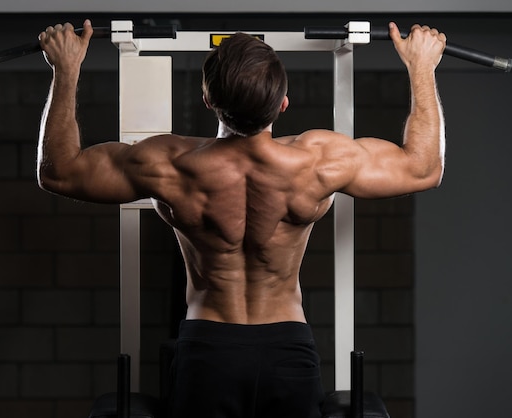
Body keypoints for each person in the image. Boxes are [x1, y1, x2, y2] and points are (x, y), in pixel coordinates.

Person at [37, 20, 446, 418]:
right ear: (283, 102)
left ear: (208, 100)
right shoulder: (319, 161)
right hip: (288, 350)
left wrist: (66, 68)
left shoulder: (168, 164)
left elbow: (58, 171)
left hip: (209, 351)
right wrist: (422, 67)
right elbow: (424, 169)